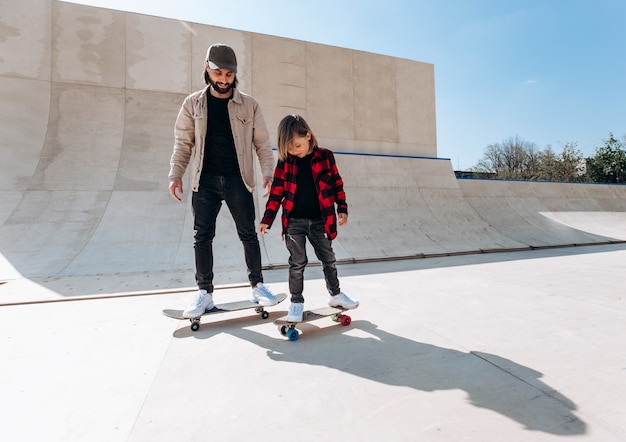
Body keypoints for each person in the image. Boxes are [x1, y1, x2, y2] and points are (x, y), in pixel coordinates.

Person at [169, 43, 278, 318]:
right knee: (202, 237)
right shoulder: (192, 103)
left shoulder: (250, 105)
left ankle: (258, 286)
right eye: (218, 73)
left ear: (234, 75)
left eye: (229, 75)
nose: (223, 80)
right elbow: (183, 143)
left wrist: (268, 172)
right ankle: (204, 293)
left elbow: (263, 144)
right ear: (207, 69)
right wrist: (175, 174)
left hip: (238, 180)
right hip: (203, 181)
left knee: (248, 234)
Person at [258, 114, 359, 322]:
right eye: (290, 148)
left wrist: (343, 207)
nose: (295, 151)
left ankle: (336, 295)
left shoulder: (326, 157)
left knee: (328, 258)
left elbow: (337, 184)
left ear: (308, 136)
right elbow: (276, 193)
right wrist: (267, 219)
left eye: (297, 145)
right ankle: (296, 303)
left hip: (321, 220)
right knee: (297, 262)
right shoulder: (285, 163)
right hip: (294, 222)